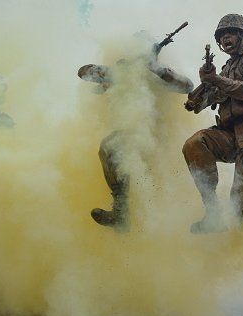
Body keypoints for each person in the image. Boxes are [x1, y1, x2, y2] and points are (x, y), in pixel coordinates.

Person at [78, 46, 193, 229]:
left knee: (110, 147)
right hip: (131, 133)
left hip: (156, 135)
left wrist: (157, 69)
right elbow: (83, 72)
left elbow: (187, 86)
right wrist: (115, 72)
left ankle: (124, 213)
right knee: (109, 148)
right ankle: (120, 212)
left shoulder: (159, 76)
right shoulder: (124, 75)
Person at [182, 14, 243, 233]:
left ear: (242, 36)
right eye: (222, 35)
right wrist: (197, 101)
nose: (225, 39)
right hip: (231, 136)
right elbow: (216, 95)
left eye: (230, 33)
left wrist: (215, 79)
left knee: (242, 208)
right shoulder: (227, 67)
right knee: (195, 144)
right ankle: (213, 214)